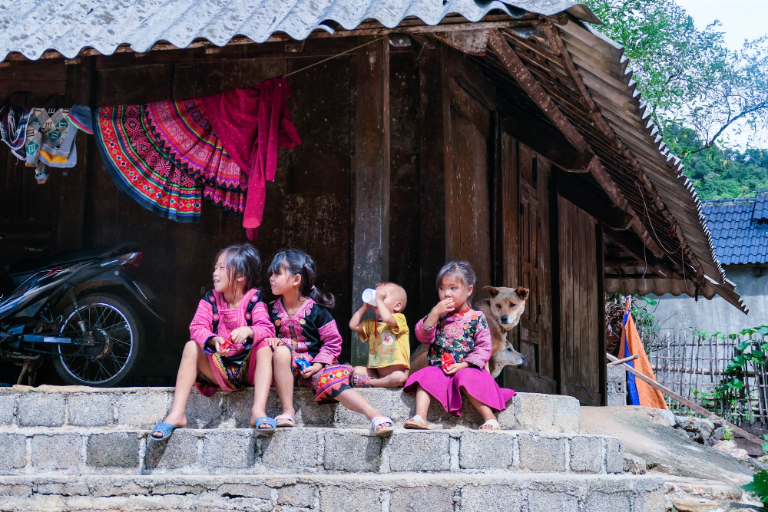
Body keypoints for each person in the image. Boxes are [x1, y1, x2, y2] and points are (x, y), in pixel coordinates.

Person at [151, 243, 277, 439]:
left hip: (248, 371)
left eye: (221, 268)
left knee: (265, 347)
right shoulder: (211, 299)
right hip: (219, 370)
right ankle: (177, 413)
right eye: (215, 267)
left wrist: (249, 330)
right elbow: (196, 327)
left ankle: (258, 411)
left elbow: (267, 328)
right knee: (191, 346)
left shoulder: (254, 299)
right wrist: (212, 340)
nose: (215, 273)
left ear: (240, 276)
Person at [265, 249, 394, 436]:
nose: (271, 278)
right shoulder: (269, 310)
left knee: (332, 381)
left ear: (296, 279)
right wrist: (271, 338)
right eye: (272, 273)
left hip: (316, 366)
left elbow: (332, 342)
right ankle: (287, 411)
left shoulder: (317, 311)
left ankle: (374, 415)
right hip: (285, 368)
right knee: (281, 352)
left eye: (277, 273)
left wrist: (317, 365)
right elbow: (262, 331)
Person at [403, 261, 515, 431]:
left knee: (466, 378)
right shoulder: (438, 315)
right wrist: (433, 315)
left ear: (469, 290)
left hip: (468, 368)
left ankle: (490, 418)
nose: (446, 293)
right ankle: (420, 416)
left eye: (453, 288)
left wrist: (464, 364)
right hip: (441, 368)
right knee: (425, 376)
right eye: (442, 288)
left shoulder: (477, 317)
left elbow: (484, 347)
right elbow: (423, 336)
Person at [348, 282, 410, 387]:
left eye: (382, 297)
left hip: (397, 374)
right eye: (376, 296)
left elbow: (387, 318)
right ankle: (379, 381)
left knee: (399, 377)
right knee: (356, 370)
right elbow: (353, 325)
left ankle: (371, 382)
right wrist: (363, 308)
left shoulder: (400, 319)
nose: (377, 300)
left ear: (397, 305)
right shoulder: (373, 324)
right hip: (377, 373)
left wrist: (378, 300)